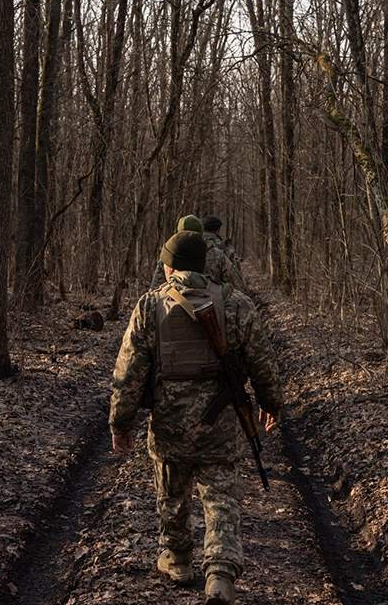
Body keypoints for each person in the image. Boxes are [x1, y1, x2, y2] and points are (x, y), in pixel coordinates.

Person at [110, 231, 282, 605]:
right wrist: (272, 403)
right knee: (221, 499)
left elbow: (129, 375)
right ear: (202, 265)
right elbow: (263, 363)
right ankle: (219, 575)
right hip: (221, 427)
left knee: (172, 496)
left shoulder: (149, 306)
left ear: (169, 265)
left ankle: (179, 560)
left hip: (169, 425)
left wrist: (121, 424)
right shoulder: (235, 303)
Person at [149, 215, 245, 292]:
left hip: (172, 308)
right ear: (201, 232)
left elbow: (155, 288)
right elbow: (238, 287)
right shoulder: (217, 255)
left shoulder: (168, 255)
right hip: (209, 309)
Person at [201, 214, 245, 288]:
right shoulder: (225, 247)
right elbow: (235, 278)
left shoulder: (192, 244)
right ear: (218, 230)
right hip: (216, 293)